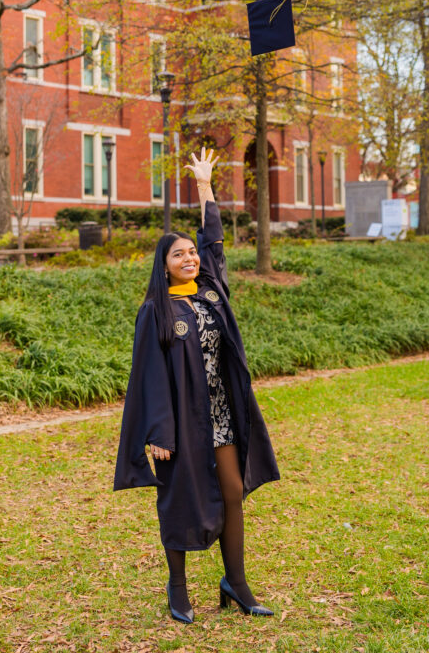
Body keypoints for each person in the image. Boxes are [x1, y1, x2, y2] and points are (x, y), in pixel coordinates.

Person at [114, 147, 280, 623]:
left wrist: (206, 188)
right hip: (181, 422)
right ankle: (178, 588)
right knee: (179, 501)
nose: (189, 258)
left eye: (190, 253)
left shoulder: (210, 292)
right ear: (163, 265)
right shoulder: (156, 311)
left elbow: (214, 245)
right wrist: (158, 434)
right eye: (178, 254)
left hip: (222, 414)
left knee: (231, 492)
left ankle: (236, 583)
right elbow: (147, 374)